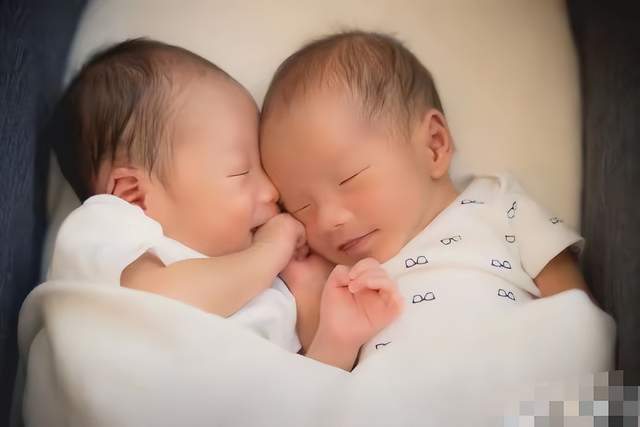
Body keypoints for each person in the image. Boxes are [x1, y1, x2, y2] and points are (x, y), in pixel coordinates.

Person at [49, 38, 402, 370]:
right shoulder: (107, 229)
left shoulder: (271, 288)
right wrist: (270, 250)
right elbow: (161, 302)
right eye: (241, 172)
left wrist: (334, 332)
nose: (272, 191)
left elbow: (307, 388)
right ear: (133, 194)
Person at [260, 30, 590, 362]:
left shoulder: (501, 205)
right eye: (302, 207)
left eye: (349, 178)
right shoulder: (340, 281)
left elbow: (575, 315)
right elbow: (322, 378)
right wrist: (312, 297)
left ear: (433, 145)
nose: (328, 219)